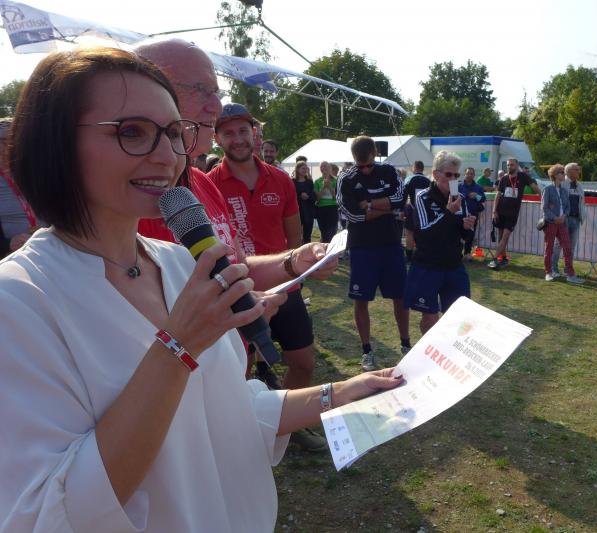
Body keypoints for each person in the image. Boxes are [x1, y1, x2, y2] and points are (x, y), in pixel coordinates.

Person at [0, 46, 403, 533]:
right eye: (132, 132)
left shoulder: (177, 263)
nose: (167, 155)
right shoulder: (19, 301)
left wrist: (340, 393)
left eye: (174, 133)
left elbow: (230, 408)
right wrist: (178, 346)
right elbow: (55, 510)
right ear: (55, 142)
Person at [135, 40, 337, 452]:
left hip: (228, 367)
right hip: (173, 394)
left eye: (217, 91)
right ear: (150, 95)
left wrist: (292, 261)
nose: (216, 105)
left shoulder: (199, 183)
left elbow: (234, 266)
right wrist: (234, 308)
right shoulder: (135, 198)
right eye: (201, 90)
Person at [208, 103, 328, 451]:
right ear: (217, 139)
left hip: (284, 285)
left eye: (243, 131)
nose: (237, 139)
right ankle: (240, 436)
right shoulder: (209, 184)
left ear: (255, 134)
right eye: (228, 133)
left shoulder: (280, 179)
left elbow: (295, 236)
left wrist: (298, 270)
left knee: (303, 363)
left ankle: (287, 425)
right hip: (236, 292)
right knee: (236, 371)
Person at [337, 136, 410, 371]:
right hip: (362, 248)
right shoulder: (346, 178)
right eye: (361, 167)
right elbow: (352, 215)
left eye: (369, 165)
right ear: (353, 159)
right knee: (361, 300)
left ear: (375, 154)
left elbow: (400, 200)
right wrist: (386, 208)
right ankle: (366, 350)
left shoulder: (389, 171)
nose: (366, 170)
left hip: (391, 245)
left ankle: (406, 344)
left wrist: (368, 204)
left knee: (400, 297)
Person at [405, 151, 475, 333]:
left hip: (453, 264)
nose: (453, 179)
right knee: (430, 317)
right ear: (436, 174)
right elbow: (425, 233)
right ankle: (428, 349)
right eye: (449, 174)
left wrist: (468, 227)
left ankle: (449, 349)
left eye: (456, 175)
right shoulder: (423, 197)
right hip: (428, 266)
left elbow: (465, 236)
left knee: (459, 317)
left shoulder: (459, 198)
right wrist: (449, 213)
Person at [488, 158, 537, 269]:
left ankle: (495, 260)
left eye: (512, 165)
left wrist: (543, 197)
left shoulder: (523, 176)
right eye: (508, 165)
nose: (509, 167)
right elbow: (498, 195)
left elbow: (534, 187)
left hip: (512, 214)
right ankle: (503, 258)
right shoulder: (504, 178)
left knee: (505, 237)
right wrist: (494, 211)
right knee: (501, 238)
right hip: (500, 211)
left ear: (517, 165)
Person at [0, 117, 38, 256]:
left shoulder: (36, 172)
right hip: (13, 256)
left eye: (16, 140)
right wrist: (8, 243)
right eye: (4, 141)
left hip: (49, 247)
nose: (10, 146)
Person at [541, 164, 584, 283]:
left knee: (567, 248)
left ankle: (570, 274)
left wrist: (563, 216)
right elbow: (544, 207)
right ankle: (549, 272)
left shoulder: (564, 190)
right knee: (549, 248)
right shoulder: (548, 189)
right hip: (551, 223)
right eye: (561, 172)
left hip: (562, 223)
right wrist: (555, 218)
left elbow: (567, 207)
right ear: (555, 175)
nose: (563, 174)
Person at [551, 162, 586, 277]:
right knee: (558, 245)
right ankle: (553, 268)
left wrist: (582, 216)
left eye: (578, 169)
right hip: (563, 219)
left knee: (571, 247)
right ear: (569, 172)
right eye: (576, 169)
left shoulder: (579, 186)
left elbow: (582, 203)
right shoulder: (561, 183)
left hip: (576, 219)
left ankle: (568, 269)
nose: (579, 171)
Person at [402, 160, 431, 261]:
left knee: (409, 233)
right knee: (422, 234)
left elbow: (404, 195)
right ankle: (422, 255)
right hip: (424, 212)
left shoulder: (409, 179)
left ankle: (409, 256)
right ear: (422, 168)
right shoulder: (428, 181)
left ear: (414, 168)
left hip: (411, 210)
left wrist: (402, 210)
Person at [458, 166, 486, 259]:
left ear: (474, 175)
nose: (469, 175)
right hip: (460, 215)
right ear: (464, 174)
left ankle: (467, 253)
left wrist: (476, 196)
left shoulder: (478, 187)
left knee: (470, 234)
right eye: (467, 173)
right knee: (458, 234)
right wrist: (467, 195)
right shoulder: (459, 186)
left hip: (473, 214)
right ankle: (457, 253)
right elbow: (454, 196)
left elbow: (483, 198)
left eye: (471, 173)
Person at [314, 160, 339, 243]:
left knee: (332, 231)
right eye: (322, 166)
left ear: (330, 168)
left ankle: (331, 248)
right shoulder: (317, 181)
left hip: (333, 208)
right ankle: (324, 248)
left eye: (325, 166)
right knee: (324, 232)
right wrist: (323, 187)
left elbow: (336, 197)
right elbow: (317, 199)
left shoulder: (335, 180)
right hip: (321, 208)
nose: (324, 168)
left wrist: (330, 186)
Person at [292, 160, 316, 244]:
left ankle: (307, 249)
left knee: (307, 235)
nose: (305, 170)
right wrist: (300, 196)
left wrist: (308, 196)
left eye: (306, 168)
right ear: (297, 169)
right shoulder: (292, 182)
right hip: (296, 211)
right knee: (295, 234)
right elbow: (290, 196)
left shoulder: (309, 182)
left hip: (308, 211)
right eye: (303, 168)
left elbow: (314, 196)